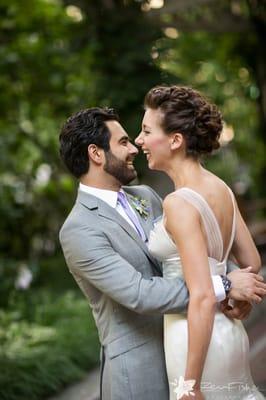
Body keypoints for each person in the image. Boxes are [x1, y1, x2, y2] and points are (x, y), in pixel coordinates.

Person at [58, 107, 266, 400]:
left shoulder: (146, 196)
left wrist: (232, 279)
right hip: (141, 373)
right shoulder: (79, 230)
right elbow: (140, 294)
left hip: (192, 346)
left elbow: (190, 250)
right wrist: (224, 286)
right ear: (96, 153)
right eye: (123, 142)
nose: (134, 147)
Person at [135, 85, 265, 399]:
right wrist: (238, 292)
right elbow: (252, 261)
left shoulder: (179, 204)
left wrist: (190, 383)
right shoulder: (220, 187)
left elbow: (204, 295)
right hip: (230, 336)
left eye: (146, 131)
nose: (139, 141)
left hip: (194, 341)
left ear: (175, 140)